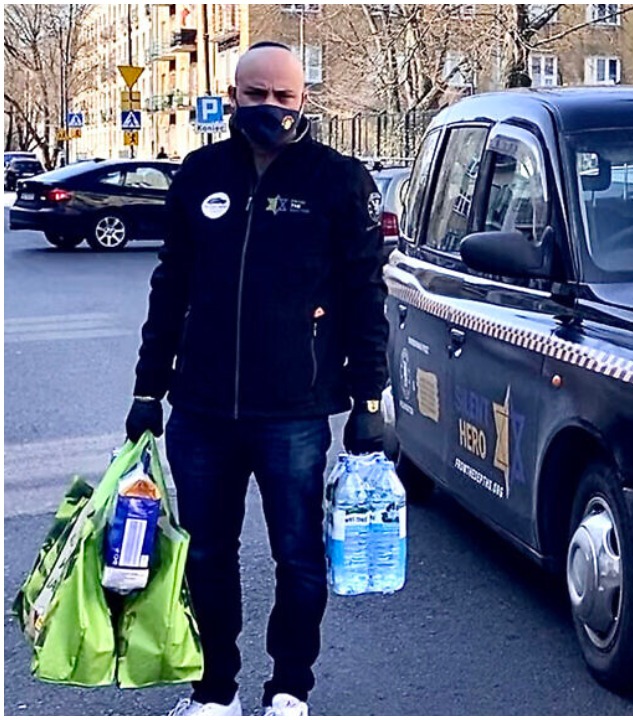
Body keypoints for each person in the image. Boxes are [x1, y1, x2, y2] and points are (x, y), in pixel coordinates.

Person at [126, 41, 388, 717]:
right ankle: (215, 692)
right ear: (232, 95)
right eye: (256, 95)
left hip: (294, 413)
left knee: (298, 559)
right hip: (202, 411)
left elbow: (365, 294)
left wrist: (369, 399)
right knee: (208, 555)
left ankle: (289, 688)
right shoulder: (199, 174)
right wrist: (146, 390)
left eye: (284, 96)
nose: (269, 107)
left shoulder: (337, 179)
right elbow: (169, 287)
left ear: (303, 101)